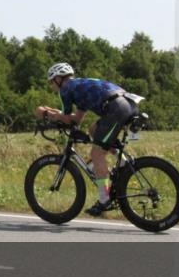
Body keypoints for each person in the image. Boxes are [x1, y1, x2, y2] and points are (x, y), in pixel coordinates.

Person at [35, 63, 141, 217]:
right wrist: (57, 114)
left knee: (97, 153)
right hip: (128, 104)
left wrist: (45, 113)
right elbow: (76, 120)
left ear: (58, 79)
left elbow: (65, 117)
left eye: (51, 82)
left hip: (116, 108)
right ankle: (123, 161)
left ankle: (104, 199)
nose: (52, 86)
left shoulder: (66, 88)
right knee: (93, 130)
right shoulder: (80, 87)